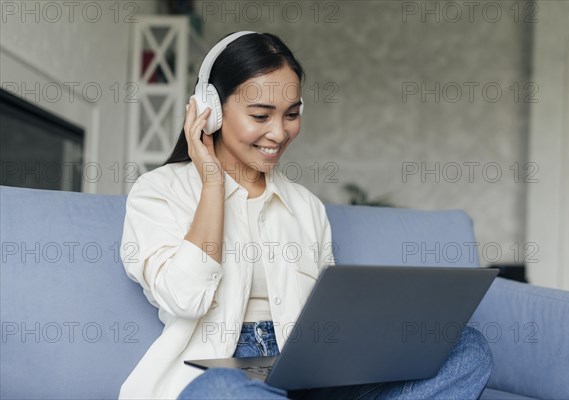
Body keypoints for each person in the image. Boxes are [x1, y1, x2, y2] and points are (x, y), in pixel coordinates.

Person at [119, 32, 493, 400]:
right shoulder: (158, 191)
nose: (279, 133)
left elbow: (324, 319)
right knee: (221, 390)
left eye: (292, 114)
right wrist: (212, 184)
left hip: (306, 374)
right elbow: (185, 299)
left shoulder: (305, 206)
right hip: (218, 376)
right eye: (260, 115)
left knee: (467, 348)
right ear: (211, 110)